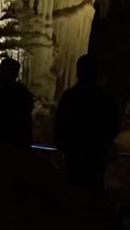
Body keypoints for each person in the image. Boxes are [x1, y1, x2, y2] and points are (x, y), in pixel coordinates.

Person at [55, 55, 120, 192]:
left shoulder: (69, 97)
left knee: (73, 195)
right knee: (92, 195)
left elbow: (60, 125)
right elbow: (114, 126)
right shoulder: (105, 98)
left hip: (74, 156)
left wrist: (63, 145)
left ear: (78, 72)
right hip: (96, 156)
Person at [0, 57, 34, 148]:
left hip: (5, 141)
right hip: (18, 140)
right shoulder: (23, 92)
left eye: (0, 71)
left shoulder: (1, 93)